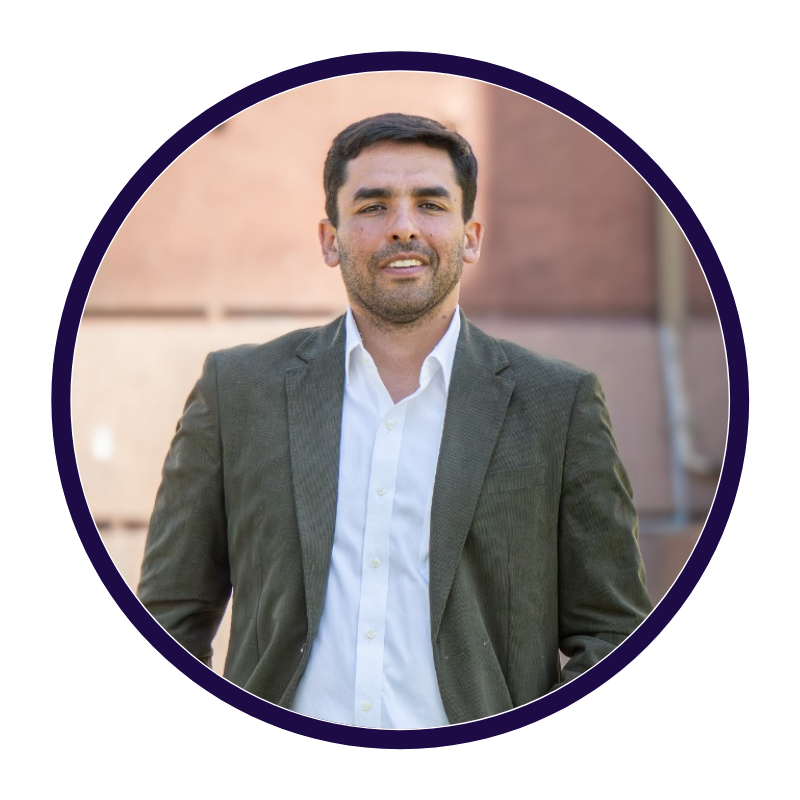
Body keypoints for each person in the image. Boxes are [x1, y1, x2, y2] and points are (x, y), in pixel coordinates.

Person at [138, 113, 652, 728]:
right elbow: (167, 619)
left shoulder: (557, 405)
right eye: (373, 206)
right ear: (330, 240)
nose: (403, 227)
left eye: (430, 205)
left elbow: (615, 633)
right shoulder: (237, 393)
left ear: (471, 237)